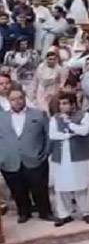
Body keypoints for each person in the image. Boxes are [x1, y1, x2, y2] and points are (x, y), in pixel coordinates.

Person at [0, 88, 54, 223]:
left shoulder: (39, 114)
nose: (17, 101)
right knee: (17, 190)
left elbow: (48, 135)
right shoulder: (1, 117)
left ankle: (45, 212)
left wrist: (46, 153)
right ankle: (24, 212)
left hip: (35, 158)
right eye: (13, 99)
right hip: (10, 160)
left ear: (24, 98)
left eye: (20, 98)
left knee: (39, 188)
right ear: (8, 101)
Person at [49, 91, 89, 226]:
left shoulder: (84, 115)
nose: (62, 107)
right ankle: (64, 214)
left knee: (82, 185)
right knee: (61, 187)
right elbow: (53, 135)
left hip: (80, 156)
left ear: (73, 104)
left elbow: (84, 131)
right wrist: (69, 135)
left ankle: (86, 213)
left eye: (65, 103)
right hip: (61, 157)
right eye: (60, 104)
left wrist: (69, 124)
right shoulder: (55, 118)